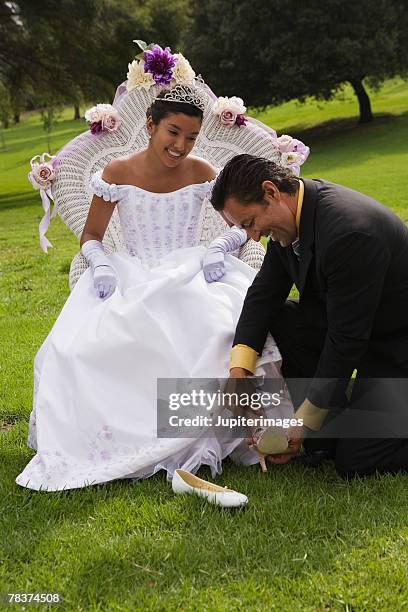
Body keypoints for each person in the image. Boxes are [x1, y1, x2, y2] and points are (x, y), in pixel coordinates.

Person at [16, 87, 286, 491]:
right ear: (149, 125)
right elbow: (91, 234)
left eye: (191, 137)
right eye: (173, 132)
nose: (181, 145)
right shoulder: (117, 172)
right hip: (132, 270)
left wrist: (219, 246)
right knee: (76, 348)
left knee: (222, 324)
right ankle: (122, 439)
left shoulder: (201, 170)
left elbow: (240, 225)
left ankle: (247, 434)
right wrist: (102, 262)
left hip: (191, 265)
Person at [210, 153, 408, 477]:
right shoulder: (292, 218)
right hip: (355, 334)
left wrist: (301, 422)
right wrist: (239, 369)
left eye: (249, 222)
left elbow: (346, 342)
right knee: (281, 317)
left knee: (355, 461)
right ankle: (326, 431)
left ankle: (329, 426)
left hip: (395, 350)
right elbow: (263, 296)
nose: (253, 235)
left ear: (271, 192)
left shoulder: (349, 232)